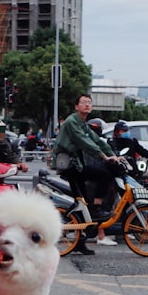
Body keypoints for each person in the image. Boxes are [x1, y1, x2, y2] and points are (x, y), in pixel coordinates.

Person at [52, 94, 119, 252]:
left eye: (89, 103)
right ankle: (96, 209)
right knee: (101, 177)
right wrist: (103, 156)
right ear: (77, 106)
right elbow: (84, 141)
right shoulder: (71, 122)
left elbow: (96, 139)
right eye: (83, 103)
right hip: (68, 165)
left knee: (83, 203)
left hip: (77, 165)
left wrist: (113, 154)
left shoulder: (82, 123)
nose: (87, 105)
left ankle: (80, 242)